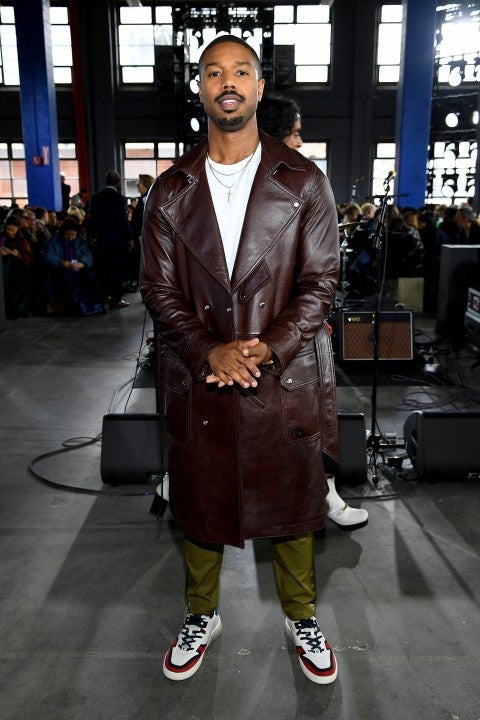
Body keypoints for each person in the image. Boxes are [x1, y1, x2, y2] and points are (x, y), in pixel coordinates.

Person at [141, 34, 341, 686]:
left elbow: (321, 280)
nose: (227, 82)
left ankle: (302, 618)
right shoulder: (169, 190)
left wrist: (269, 345)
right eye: (213, 72)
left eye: (241, 71)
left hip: (282, 373)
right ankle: (201, 614)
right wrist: (210, 350)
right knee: (200, 505)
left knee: (294, 507)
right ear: (199, 88)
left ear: (258, 86)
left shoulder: (303, 180)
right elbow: (157, 290)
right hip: (201, 374)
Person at [257, 92, 368, 530]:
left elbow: (321, 275)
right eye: (295, 132)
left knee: (309, 423)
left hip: (296, 329)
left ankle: (325, 496)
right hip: (256, 332)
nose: (300, 142)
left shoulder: (307, 183)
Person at [89, 170, 133, 308]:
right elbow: (123, 221)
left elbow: (93, 220)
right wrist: (129, 238)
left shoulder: (96, 197)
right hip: (116, 241)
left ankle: (104, 297)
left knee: (103, 269)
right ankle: (115, 299)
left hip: (101, 240)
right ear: (117, 182)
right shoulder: (119, 198)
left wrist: (93, 237)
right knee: (116, 269)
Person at [43, 218, 103, 316]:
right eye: (67, 234)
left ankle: (93, 305)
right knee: (67, 278)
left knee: (91, 277)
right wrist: (61, 262)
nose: (70, 237)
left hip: (77, 268)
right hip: (59, 268)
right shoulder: (53, 240)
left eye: (73, 235)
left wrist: (82, 263)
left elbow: (87, 255)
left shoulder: (80, 240)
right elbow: (48, 256)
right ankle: (71, 306)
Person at [126, 173, 155, 292]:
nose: (137, 185)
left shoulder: (148, 199)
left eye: (139, 183)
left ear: (145, 184)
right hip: (140, 237)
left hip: (143, 237)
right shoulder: (144, 198)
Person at [0, 215, 33, 318]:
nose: (10, 232)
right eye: (8, 229)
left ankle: (15, 311)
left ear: (18, 229)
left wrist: (18, 255)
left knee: (15, 292)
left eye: (13, 230)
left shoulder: (22, 241)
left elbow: (29, 258)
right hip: (4, 270)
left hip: (17, 272)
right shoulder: (2, 238)